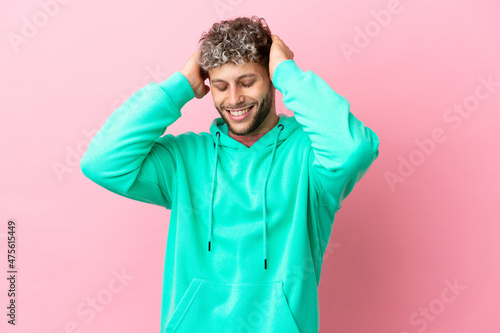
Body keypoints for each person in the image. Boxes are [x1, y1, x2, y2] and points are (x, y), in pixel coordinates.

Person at [80, 15, 380, 333]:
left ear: (271, 80)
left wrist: (289, 74)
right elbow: (101, 162)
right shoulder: (184, 160)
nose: (234, 99)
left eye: (247, 82)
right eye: (221, 86)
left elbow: (353, 149)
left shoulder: (310, 157)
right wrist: (180, 85)